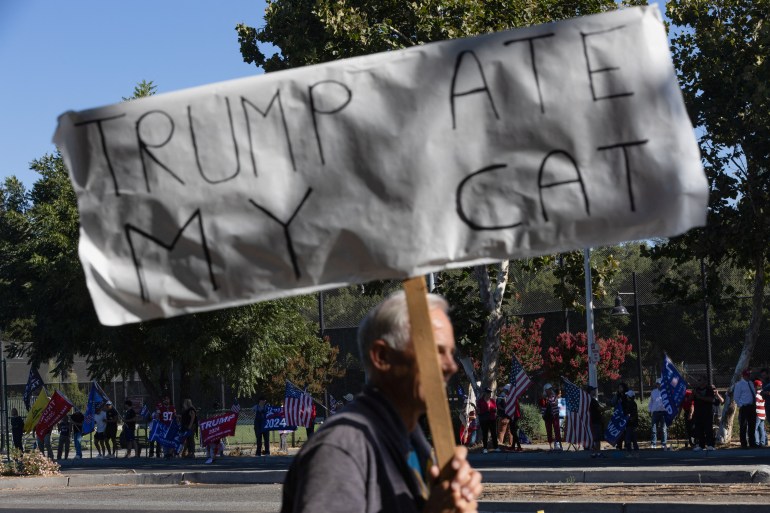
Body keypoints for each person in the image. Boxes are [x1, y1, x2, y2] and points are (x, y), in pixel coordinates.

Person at [281, 291, 483, 513]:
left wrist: (451, 496)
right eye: (435, 351)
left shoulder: (411, 439)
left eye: (450, 353)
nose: (450, 366)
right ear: (382, 357)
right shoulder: (341, 449)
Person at [693, 376, 723, 451]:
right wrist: (693, 394)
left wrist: (701, 397)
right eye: (698, 380)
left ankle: (710, 445)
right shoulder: (696, 390)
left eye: (700, 379)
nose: (698, 381)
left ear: (705, 381)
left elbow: (713, 400)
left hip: (708, 413)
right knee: (699, 430)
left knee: (708, 429)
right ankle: (701, 445)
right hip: (698, 413)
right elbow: (691, 399)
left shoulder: (709, 390)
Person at [734, 369, 757, 449]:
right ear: (743, 375)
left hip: (752, 406)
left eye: (749, 374)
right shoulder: (739, 384)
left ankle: (752, 443)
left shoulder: (751, 383)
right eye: (747, 375)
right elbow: (736, 397)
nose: (749, 376)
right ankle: (743, 443)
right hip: (744, 407)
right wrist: (741, 405)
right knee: (743, 426)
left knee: (752, 425)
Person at [648, 378, 670, 450]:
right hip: (655, 412)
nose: (659, 385)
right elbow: (651, 402)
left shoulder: (666, 391)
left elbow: (669, 402)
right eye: (657, 384)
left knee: (663, 429)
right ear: (656, 384)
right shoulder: (653, 392)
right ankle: (653, 444)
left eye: (660, 383)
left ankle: (663, 444)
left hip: (664, 412)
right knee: (653, 429)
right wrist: (649, 410)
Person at [539, 384, 562, 451]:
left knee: (557, 429)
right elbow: (542, 406)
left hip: (554, 415)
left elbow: (555, 402)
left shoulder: (554, 395)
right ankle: (550, 446)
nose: (550, 390)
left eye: (550, 388)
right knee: (549, 431)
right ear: (545, 390)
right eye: (548, 389)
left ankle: (559, 445)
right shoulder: (543, 398)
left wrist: (548, 400)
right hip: (547, 416)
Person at [477, 387, 499, 454]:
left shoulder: (492, 401)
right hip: (484, 419)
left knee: (494, 434)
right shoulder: (480, 401)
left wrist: (495, 413)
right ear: (484, 393)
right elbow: (478, 411)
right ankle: (485, 448)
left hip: (492, 419)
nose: (489, 394)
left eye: (490, 393)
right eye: (488, 393)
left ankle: (496, 447)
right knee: (485, 434)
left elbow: (495, 409)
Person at [587, 386, 604, 458]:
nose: (595, 391)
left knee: (593, 438)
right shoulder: (593, 400)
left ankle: (594, 452)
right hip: (596, 421)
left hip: (591, 420)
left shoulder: (587, 400)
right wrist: (605, 408)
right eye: (593, 390)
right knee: (597, 438)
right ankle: (598, 452)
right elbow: (599, 409)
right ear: (591, 391)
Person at [611, 383, 629, 450]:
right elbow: (612, 402)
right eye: (619, 387)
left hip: (625, 416)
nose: (620, 389)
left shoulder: (627, 395)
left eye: (621, 387)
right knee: (619, 431)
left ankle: (627, 445)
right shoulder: (617, 395)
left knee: (626, 431)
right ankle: (619, 445)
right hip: (618, 416)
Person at [754, 379, 767, 447]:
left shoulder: (757, 395)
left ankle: (757, 442)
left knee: (755, 429)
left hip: (758, 413)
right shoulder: (764, 393)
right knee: (761, 428)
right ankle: (763, 442)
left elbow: (756, 403)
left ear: (755, 386)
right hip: (763, 413)